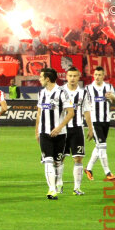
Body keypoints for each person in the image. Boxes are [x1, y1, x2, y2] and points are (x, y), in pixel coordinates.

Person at [36, 67, 73, 200]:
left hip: (60, 134)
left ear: (47, 78)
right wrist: (37, 132)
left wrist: (59, 127)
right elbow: (39, 113)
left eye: (41, 77)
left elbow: (71, 112)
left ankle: (58, 184)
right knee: (48, 161)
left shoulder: (62, 92)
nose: (39, 79)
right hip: (44, 133)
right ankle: (51, 190)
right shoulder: (41, 93)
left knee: (57, 162)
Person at [61, 66, 92, 195]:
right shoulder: (60, 91)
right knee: (59, 158)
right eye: (70, 76)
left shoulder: (84, 93)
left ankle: (77, 188)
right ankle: (58, 185)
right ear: (66, 77)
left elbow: (86, 111)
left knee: (78, 158)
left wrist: (90, 128)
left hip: (77, 128)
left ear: (79, 77)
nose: (72, 78)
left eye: (75, 76)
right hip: (62, 129)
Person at [85, 66, 115, 181]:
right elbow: (86, 107)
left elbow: (114, 101)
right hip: (95, 121)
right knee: (103, 146)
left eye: (100, 75)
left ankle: (88, 169)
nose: (97, 77)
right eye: (96, 75)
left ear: (103, 76)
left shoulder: (108, 87)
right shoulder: (88, 88)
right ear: (93, 75)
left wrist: (111, 96)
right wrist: (88, 125)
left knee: (99, 146)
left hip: (106, 120)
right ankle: (107, 172)